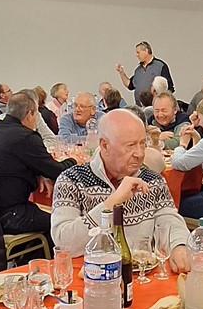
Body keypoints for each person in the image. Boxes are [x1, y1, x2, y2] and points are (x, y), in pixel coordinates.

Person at [51, 108, 190, 270]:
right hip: (91, 278)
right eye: (130, 146)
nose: (139, 154)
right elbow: (64, 243)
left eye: (142, 144)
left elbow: (169, 220)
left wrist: (179, 245)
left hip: (141, 274)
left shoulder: (152, 180)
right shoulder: (72, 180)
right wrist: (111, 203)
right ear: (105, 146)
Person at [0, 89, 62, 237]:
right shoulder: (26, 137)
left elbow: (16, 161)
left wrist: (40, 171)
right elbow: (57, 171)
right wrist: (74, 161)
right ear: (29, 115)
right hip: (10, 214)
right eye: (36, 115)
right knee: (59, 224)